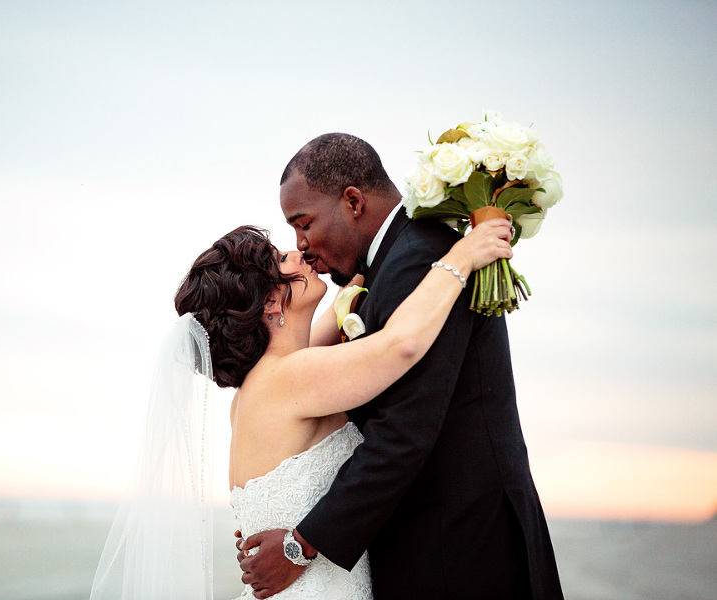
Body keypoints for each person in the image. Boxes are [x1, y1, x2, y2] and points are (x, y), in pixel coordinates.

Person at [235, 133, 564, 600]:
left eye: (303, 224)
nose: (301, 245)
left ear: (352, 201)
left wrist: (301, 545)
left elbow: (404, 430)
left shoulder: (422, 262)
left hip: (462, 553)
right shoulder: (386, 265)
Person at [172, 218, 512, 600]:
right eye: (282, 257)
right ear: (269, 302)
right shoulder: (289, 379)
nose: (298, 252)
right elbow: (400, 345)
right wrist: (462, 257)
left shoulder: (262, 384)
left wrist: (357, 275)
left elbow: (328, 324)